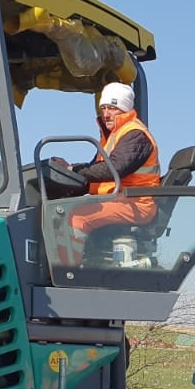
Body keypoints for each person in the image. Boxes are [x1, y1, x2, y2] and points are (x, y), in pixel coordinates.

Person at [49, 81, 162, 266]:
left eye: (112, 108)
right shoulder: (113, 136)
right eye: (104, 108)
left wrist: (73, 170)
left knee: (77, 218)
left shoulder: (135, 135)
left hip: (135, 203)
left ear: (124, 109)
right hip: (117, 199)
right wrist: (69, 171)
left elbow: (114, 168)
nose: (106, 114)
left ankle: (68, 275)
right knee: (58, 210)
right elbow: (95, 170)